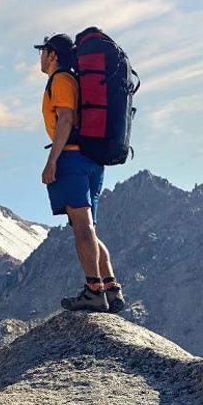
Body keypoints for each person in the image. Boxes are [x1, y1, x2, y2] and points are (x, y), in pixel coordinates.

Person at [35, 33, 124, 313]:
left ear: (53, 55)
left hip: (72, 158)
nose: (39, 57)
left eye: (42, 51)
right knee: (88, 227)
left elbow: (66, 118)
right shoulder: (76, 80)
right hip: (92, 160)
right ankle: (111, 287)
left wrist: (53, 161)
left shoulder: (61, 80)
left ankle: (94, 290)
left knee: (82, 227)